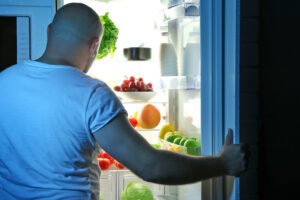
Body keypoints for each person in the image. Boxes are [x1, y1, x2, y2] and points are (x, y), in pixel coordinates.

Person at [0, 3, 249, 200]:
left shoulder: (4, 81)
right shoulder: (91, 93)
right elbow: (150, 166)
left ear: (49, 31)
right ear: (94, 46)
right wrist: (222, 163)